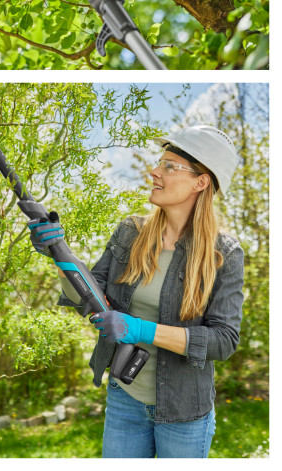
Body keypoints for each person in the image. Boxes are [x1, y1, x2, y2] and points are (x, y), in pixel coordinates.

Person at [30, 126, 244, 458]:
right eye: (160, 163)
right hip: (125, 399)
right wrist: (60, 254)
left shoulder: (223, 254)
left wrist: (139, 329)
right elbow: (91, 299)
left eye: (170, 166)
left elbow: (224, 340)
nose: (155, 172)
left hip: (185, 412)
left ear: (201, 182)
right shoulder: (132, 233)